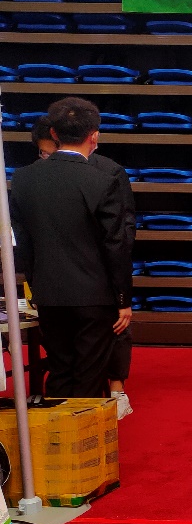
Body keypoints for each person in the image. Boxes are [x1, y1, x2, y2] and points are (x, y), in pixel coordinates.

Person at [11, 98, 132, 398]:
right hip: (94, 295)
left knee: (60, 369)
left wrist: (35, 284)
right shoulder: (103, 180)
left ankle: (57, 427)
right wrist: (123, 299)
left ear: (53, 133)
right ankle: (82, 428)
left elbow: (23, 241)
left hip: (48, 293)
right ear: (94, 136)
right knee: (89, 375)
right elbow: (115, 244)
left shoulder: (23, 179)